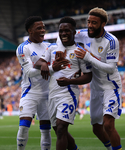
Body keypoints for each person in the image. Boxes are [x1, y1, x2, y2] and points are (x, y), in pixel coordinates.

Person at [57, 7, 123, 150]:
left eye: (94, 23)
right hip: (95, 87)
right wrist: (60, 51)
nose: (90, 26)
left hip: (110, 86)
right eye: (88, 22)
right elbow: (63, 34)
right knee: (96, 129)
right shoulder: (84, 34)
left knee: (108, 125)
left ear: (103, 23)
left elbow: (111, 68)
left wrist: (88, 57)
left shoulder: (111, 41)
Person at [35, 16, 92, 150]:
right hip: (52, 94)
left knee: (61, 128)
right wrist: (43, 64)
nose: (63, 34)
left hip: (68, 94)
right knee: (60, 131)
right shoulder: (52, 48)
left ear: (74, 32)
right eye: (61, 31)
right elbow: (38, 63)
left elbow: (88, 76)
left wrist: (69, 81)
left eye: (67, 31)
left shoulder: (80, 52)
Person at [16, 16, 52, 150]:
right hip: (30, 92)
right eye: (39, 28)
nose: (43, 30)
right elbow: (30, 72)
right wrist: (51, 68)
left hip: (47, 93)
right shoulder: (23, 48)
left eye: (43, 27)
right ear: (30, 31)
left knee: (46, 130)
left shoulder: (49, 46)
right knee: (24, 126)